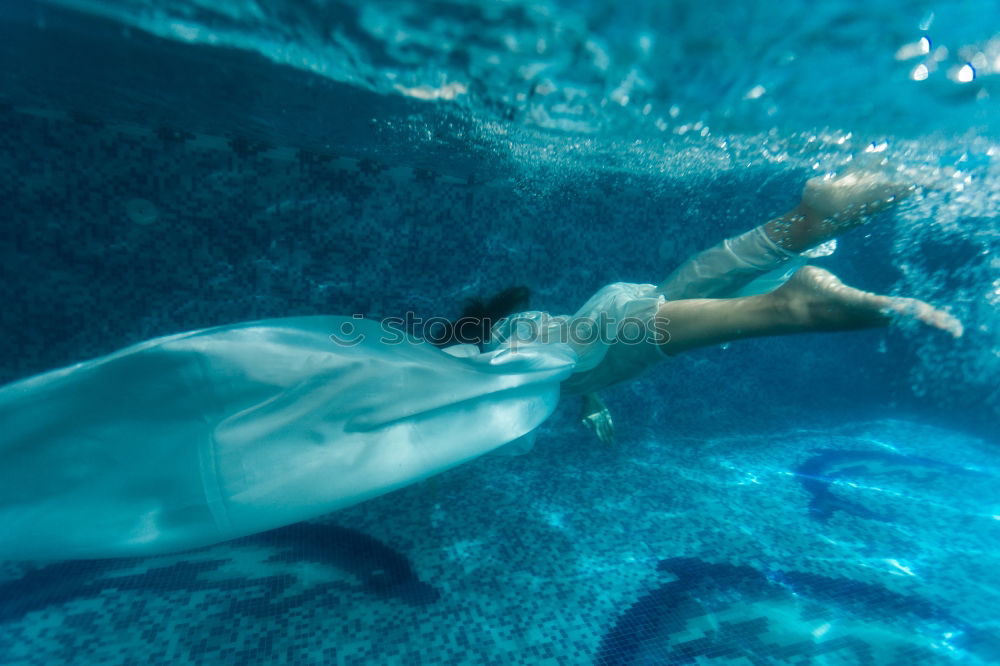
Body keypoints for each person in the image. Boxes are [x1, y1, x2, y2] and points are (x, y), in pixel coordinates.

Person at [0, 171, 959, 561]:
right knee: (610, 338)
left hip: (540, 340)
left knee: (592, 349)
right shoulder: (511, 357)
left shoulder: (505, 357)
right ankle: (791, 250)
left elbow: (566, 350)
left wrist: (545, 373)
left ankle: (784, 282)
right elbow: (577, 351)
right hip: (544, 336)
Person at [486, 171, 961, 444]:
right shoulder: (534, 343)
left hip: (609, 338)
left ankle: (793, 304)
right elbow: (564, 363)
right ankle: (811, 219)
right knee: (678, 291)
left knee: (641, 332)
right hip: (606, 318)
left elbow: (560, 366)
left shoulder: (488, 367)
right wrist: (591, 401)